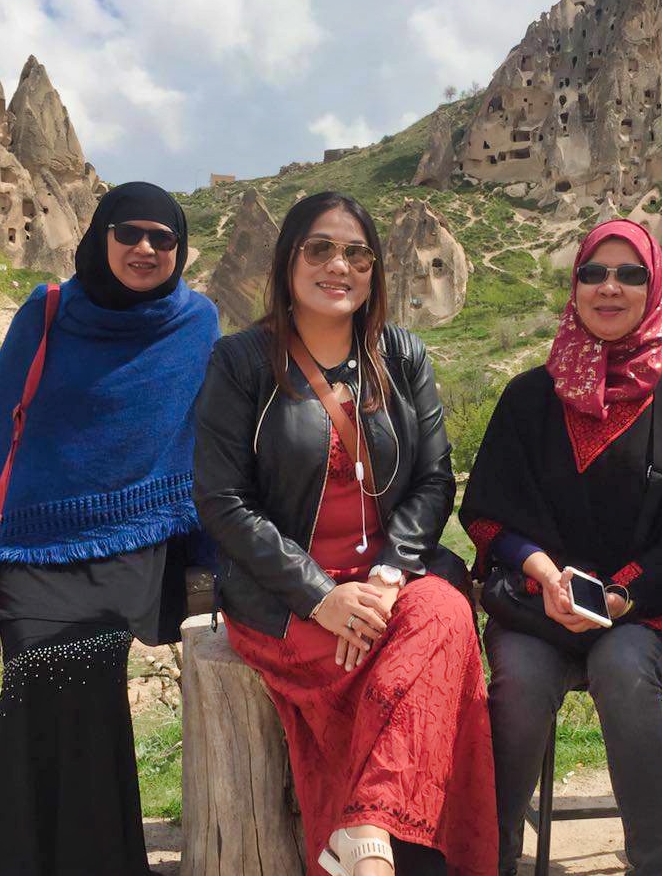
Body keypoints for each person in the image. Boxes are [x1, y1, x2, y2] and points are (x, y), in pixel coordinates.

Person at [0, 182, 218, 876]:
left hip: (133, 539)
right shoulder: (49, 310)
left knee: (88, 677)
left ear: (179, 249)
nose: (146, 248)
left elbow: (204, 437)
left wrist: (214, 542)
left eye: (163, 238)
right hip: (32, 545)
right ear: (100, 237)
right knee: (35, 690)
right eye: (131, 233)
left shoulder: (195, 321)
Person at [192, 192, 494, 876]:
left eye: (357, 252)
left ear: (375, 270)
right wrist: (321, 595)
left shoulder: (403, 355)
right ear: (288, 260)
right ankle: (390, 844)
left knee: (444, 610)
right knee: (400, 674)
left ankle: (364, 831)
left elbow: (434, 480)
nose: (340, 265)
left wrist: (388, 577)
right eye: (320, 248)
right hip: (288, 600)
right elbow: (222, 500)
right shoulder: (241, 363)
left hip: (389, 585)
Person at [460, 219, 662, 876]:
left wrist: (621, 591)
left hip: (647, 605)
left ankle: (649, 865)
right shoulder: (530, 396)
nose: (610, 287)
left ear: (654, 285)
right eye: (594, 272)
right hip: (535, 603)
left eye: (629, 273)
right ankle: (488, 860)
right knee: (517, 686)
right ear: (574, 284)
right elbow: (492, 506)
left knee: (622, 670)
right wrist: (548, 577)